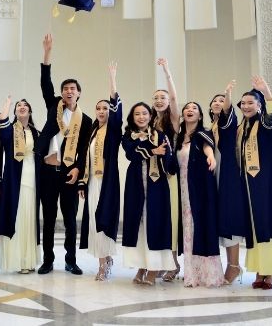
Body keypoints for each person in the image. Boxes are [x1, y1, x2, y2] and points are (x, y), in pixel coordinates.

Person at [35, 34, 92, 275]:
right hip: (48, 171)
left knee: (70, 219)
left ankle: (71, 260)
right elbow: (45, 83)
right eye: (65, 89)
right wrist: (47, 53)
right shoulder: (54, 106)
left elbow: (85, 150)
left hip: (69, 173)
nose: (69, 91)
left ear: (79, 93)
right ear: (61, 93)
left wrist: (79, 169)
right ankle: (47, 260)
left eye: (73, 89)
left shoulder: (86, 120)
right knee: (48, 218)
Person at [236, 77, 272, 291]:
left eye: (251, 102)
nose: (246, 106)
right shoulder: (242, 127)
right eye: (243, 103)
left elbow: (271, 115)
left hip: (267, 183)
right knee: (254, 226)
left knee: (269, 222)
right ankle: (260, 269)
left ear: (259, 105)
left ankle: (271, 270)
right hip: (248, 185)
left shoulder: (265, 124)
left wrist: (266, 92)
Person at [122, 101, 176, 285]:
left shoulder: (160, 135)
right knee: (139, 225)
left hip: (157, 185)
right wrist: (153, 150)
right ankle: (142, 266)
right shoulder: (129, 135)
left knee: (156, 223)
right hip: (135, 184)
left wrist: (164, 153)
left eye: (145, 113)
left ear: (150, 116)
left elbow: (169, 160)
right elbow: (131, 153)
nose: (141, 117)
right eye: (137, 114)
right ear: (132, 117)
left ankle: (153, 269)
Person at [79, 62, 121, 281]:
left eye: (105, 108)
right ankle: (104, 260)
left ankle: (104, 264)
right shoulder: (94, 131)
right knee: (94, 221)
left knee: (103, 219)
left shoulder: (113, 130)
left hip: (107, 182)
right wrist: (82, 182)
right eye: (99, 108)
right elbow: (86, 158)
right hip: (93, 182)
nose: (102, 111)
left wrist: (112, 79)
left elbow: (116, 107)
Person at [176, 101, 223, 287]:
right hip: (183, 188)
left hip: (199, 187)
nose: (190, 110)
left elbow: (206, 146)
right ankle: (192, 274)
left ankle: (209, 274)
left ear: (200, 115)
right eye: (187, 108)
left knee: (202, 225)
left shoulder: (203, 133)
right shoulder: (179, 137)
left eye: (194, 108)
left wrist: (210, 156)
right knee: (188, 228)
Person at [0, 95, 40, 273]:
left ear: (30, 111)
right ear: (14, 111)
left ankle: (28, 260)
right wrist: (7, 104)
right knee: (17, 217)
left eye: (25, 105)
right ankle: (17, 260)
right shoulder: (10, 130)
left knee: (29, 218)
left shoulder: (35, 132)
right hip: (14, 180)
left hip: (32, 178)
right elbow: (1, 122)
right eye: (18, 106)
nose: (21, 107)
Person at [151, 58, 181, 281]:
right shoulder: (150, 122)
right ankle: (162, 262)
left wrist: (166, 71)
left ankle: (174, 263)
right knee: (159, 218)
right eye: (156, 98)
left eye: (163, 97)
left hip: (170, 174)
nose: (160, 100)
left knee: (171, 217)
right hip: (154, 175)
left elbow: (174, 98)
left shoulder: (173, 120)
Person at [213, 82, 245, 285]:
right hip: (213, 176)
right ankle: (225, 265)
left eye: (222, 101)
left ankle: (234, 265)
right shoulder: (209, 128)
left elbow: (227, 113)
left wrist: (227, 94)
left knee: (229, 219)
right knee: (220, 222)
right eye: (215, 101)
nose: (219, 103)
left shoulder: (228, 123)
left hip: (227, 175)